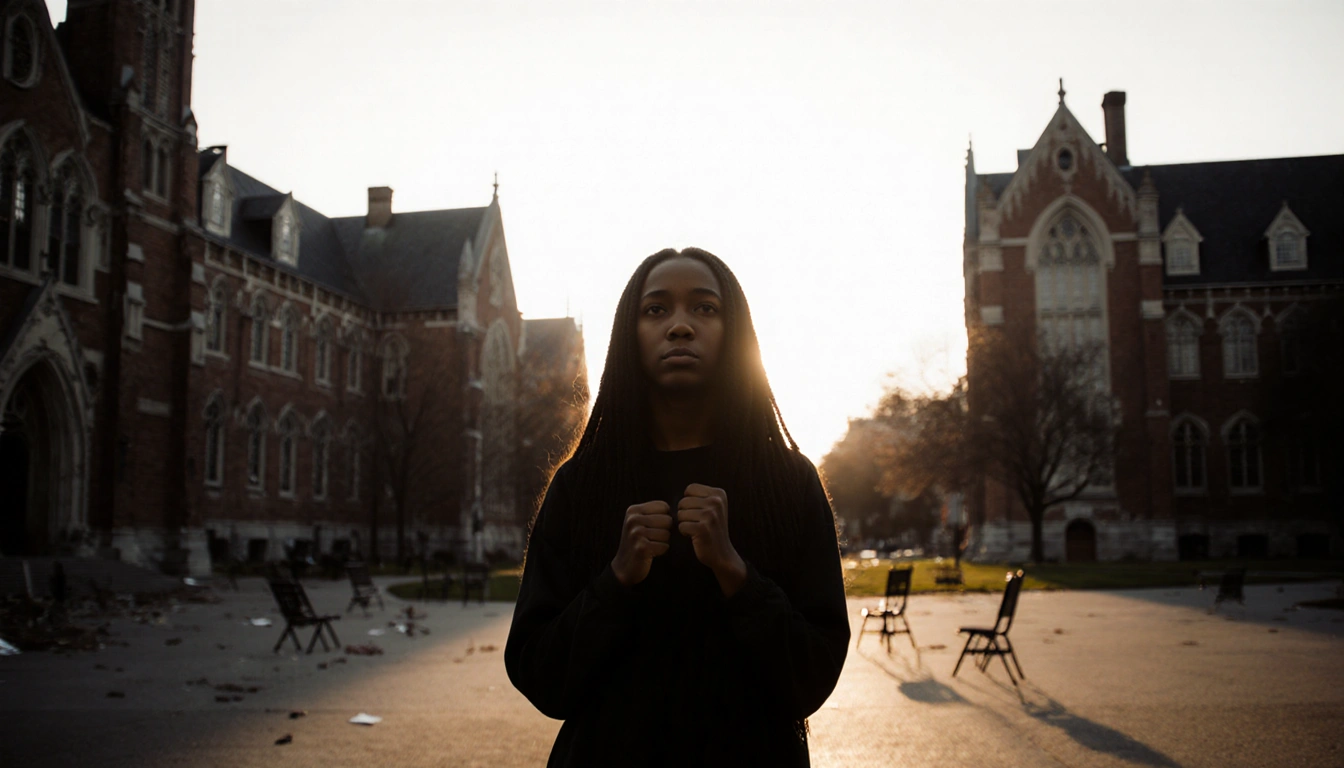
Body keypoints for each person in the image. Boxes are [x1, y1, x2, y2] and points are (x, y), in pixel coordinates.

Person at [505, 247, 850, 766]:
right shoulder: (582, 486)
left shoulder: (788, 482)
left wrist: (735, 572)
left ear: (734, 332)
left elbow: (814, 675)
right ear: (629, 333)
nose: (680, 326)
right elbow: (539, 675)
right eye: (656, 309)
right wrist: (616, 579)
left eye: (705, 308)